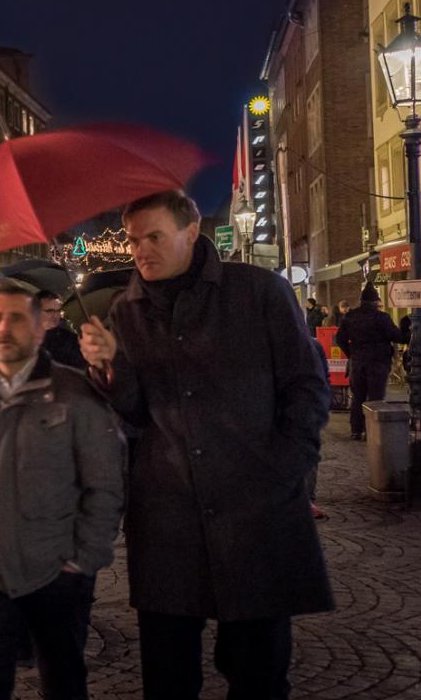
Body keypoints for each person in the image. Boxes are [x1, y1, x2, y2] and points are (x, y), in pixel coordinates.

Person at [80, 190, 332, 700]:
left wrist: (286, 466)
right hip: (169, 516)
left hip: (255, 507)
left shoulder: (259, 291)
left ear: (191, 232)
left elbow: (306, 386)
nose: (140, 250)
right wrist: (110, 367)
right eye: (133, 240)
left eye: (154, 236)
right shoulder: (126, 311)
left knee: (259, 673)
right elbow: (134, 410)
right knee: (168, 676)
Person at [0, 278, 125, 700]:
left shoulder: (74, 393)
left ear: (39, 329)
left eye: (17, 318)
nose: (4, 327)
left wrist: (84, 556)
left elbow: (104, 481)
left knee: (64, 681)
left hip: (57, 568)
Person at [336, 284, 401, 441]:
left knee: (358, 396)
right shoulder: (382, 317)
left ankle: (356, 430)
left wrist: (351, 353)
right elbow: (396, 336)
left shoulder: (350, 317)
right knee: (376, 396)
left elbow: (340, 339)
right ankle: (372, 430)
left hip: (358, 361)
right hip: (379, 361)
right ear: (375, 302)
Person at [36, 290, 86, 370]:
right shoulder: (27, 339)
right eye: (50, 311)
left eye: (58, 311)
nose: (55, 315)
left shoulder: (70, 339)